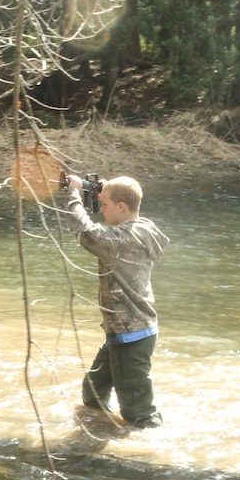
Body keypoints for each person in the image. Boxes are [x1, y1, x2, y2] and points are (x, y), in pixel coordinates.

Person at [61, 173, 169, 428]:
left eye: (105, 204)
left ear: (121, 206)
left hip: (130, 334)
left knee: (138, 413)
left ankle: (153, 455)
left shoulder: (120, 240)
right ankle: (101, 431)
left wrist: (74, 192)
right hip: (127, 332)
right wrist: (106, 189)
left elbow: (85, 232)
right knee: (93, 393)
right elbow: (120, 208)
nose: (102, 209)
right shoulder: (145, 228)